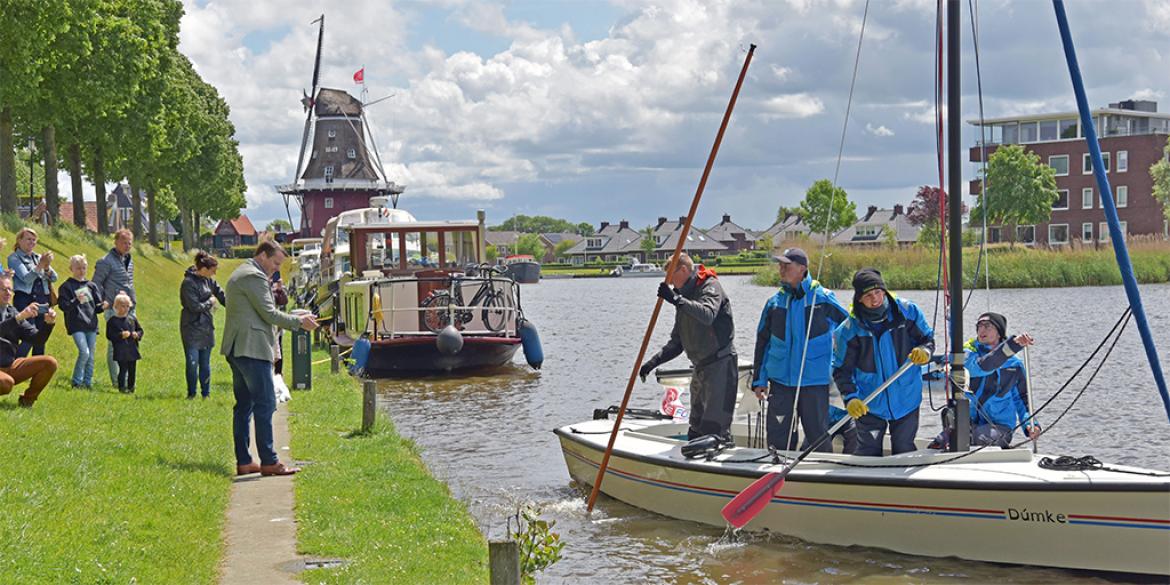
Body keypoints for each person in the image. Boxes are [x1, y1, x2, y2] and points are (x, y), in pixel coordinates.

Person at [222, 241, 317, 476]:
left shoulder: (242, 272)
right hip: (252, 348)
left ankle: (244, 461)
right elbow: (269, 313)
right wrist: (299, 322)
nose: (276, 269)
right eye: (275, 263)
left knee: (244, 406)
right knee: (266, 404)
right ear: (262, 256)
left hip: (238, 347)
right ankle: (269, 461)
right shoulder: (254, 276)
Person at [751, 248, 849, 452]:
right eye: (780, 264)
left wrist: (839, 365)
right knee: (778, 439)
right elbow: (762, 343)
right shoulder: (774, 303)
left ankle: (819, 475)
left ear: (802, 269)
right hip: (780, 383)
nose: (781, 268)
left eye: (787, 265)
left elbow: (850, 331)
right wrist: (759, 380)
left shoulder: (823, 299)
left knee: (818, 437)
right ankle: (776, 472)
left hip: (814, 383)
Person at [832, 268, 934, 456]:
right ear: (859, 299)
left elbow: (928, 339)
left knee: (904, 448)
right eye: (868, 295)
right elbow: (841, 371)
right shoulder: (847, 331)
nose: (875, 298)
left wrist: (925, 352)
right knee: (868, 451)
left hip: (906, 397)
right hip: (869, 403)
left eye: (878, 292)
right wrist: (850, 398)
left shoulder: (908, 312)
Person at [638, 253, 737, 441]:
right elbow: (677, 343)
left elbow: (707, 314)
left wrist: (676, 300)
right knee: (696, 427)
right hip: (700, 369)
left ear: (683, 270)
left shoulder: (710, 286)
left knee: (714, 429)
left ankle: (717, 462)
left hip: (720, 365)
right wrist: (652, 363)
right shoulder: (685, 298)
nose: (671, 284)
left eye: (672, 278)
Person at [929, 312, 1040, 448]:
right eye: (979, 326)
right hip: (967, 423)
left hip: (1000, 427)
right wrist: (1012, 346)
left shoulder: (1014, 365)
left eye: (987, 326)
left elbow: (1022, 399)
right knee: (938, 443)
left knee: (980, 438)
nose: (982, 330)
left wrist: (1031, 425)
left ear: (999, 333)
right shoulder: (968, 353)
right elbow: (983, 366)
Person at [0, 273, 58, 407]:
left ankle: (27, 401)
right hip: (5, 375)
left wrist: (48, 324)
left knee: (49, 362)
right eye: (3, 289)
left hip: (9, 365)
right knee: (6, 383)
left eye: (10, 289)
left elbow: (37, 339)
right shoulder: (17, 316)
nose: (8, 292)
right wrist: (18, 318)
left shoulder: (12, 312)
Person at [180, 251, 225, 399]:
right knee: (192, 362)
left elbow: (221, 294)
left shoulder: (209, 281)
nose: (215, 274)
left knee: (205, 363)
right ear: (204, 269)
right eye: (213, 270)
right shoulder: (188, 283)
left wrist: (235, 306)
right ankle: (191, 393)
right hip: (191, 327)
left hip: (206, 327)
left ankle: (206, 394)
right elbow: (194, 307)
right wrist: (210, 302)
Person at [93, 229, 135, 385]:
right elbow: (96, 284)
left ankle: (127, 380)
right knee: (115, 344)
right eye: (124, 242)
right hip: (113, 308)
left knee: (130, 341)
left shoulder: (129, 259)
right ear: (115, 242)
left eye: (129, 243)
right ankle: (117, 381)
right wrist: (104, 301)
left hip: (129, 307)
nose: (127, 245)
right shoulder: (105, 261)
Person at [57, 255, 107, 389]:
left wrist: (104, 306)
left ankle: (88, 382)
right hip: (76, 324)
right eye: (78, 268)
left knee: (91, 356)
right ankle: (76, 381)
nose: (81, 271)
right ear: (71, 269)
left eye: (84, 268)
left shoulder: (91, 286)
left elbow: (96, 308)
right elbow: (63, 306)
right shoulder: (66, 286)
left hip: (91, 324)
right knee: (84, 352)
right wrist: (76, 300)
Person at [7, 227, 57, 357]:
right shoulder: (14, 258)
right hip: (25, 300)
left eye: (34, 240)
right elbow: (26, 278)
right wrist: (41, 265)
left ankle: (38, 369)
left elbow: (55, 277)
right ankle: (14, 365)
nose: (32, 242)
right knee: (28, 336)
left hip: (42, 300)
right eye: (28, 239)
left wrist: (46, 268)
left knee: (41, 336)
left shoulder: (38, 257)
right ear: (19, 240)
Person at [106, 293, 142, 394]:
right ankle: (122, 388)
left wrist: (137, 335)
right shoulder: (112, 321)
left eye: (127, 306)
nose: (125, 308)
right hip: (120, 350)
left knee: (132, 370)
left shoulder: (132, 319)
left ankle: (131, 388)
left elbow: (140, 330)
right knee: (123, 369)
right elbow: (109, 335)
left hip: (132, 349)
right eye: (122, 306)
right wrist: (120, 335)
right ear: (116, 306)